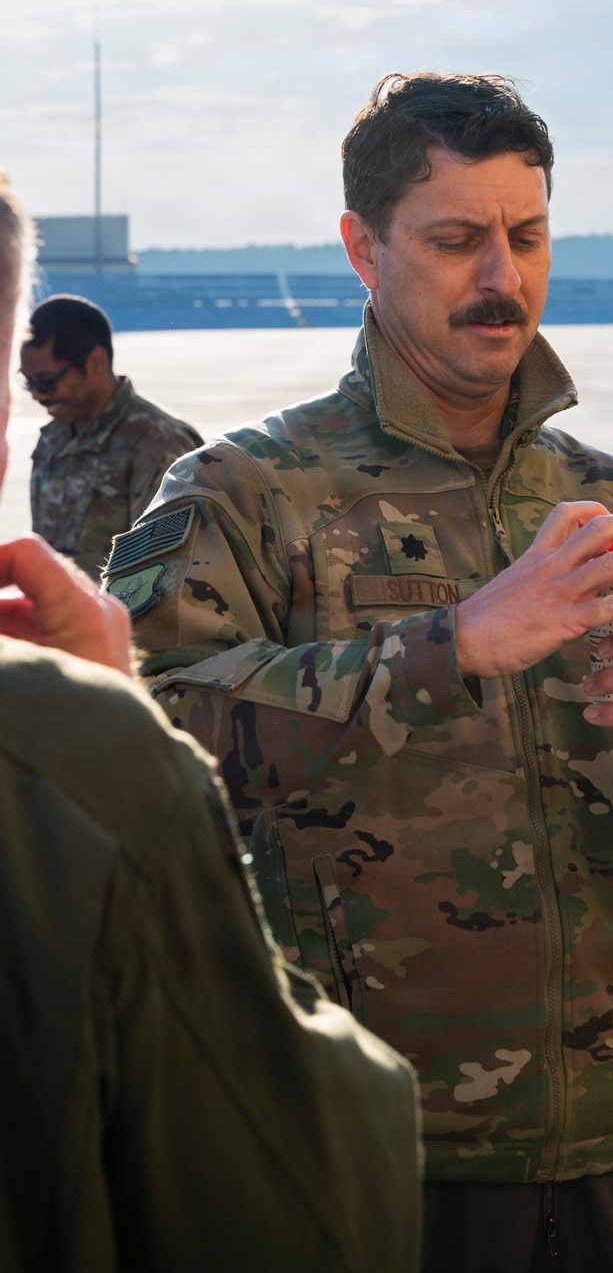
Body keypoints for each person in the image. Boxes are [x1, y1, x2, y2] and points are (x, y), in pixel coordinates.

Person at [113, 72, 613, 1273]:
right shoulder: (243, 496)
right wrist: (451, 647)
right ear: (363, 248)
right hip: (351, 1161)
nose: (502, 276)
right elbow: (139, 760)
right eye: (454, 241)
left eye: (526, 236)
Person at [0, 173, 421, 1272]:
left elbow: (186, 613)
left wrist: (117, 709)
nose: (39, 402)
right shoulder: (53, 448)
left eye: (48, 381)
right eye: (20, 389)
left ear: (95, 363)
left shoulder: (164, 448)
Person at [21, 293, 202, 578]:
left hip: (116, 608)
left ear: (96, 361)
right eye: (28, 382)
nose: (37, 395)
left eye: (47, 381)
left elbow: (166, 572)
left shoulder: (159, 442)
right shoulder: (56, 435)